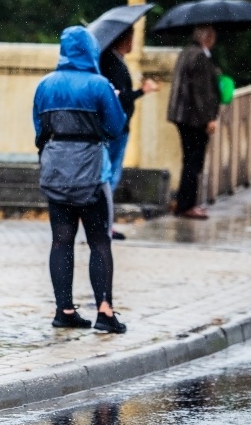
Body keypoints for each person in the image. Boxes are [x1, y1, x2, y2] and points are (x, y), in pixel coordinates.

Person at [32, 26, 127, 333]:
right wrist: (113, 101)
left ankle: (65, 310)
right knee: (99, 241)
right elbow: (115, 127)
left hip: (56, 173)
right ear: (90, 50)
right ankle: (104, 312)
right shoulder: (99, 85)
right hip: (91, 174)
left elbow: (39, 132)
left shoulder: (45, 85)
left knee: (61, 240)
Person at [99, 27, 159, 239]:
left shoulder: (112, 61)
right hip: (116, 129)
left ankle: (104, 224)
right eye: (131, 37)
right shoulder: (113, 63)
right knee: (110, 177)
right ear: (123, 39)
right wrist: (142, 91)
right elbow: (119, 99)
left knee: (107, 176)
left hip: (114, 127)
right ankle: (105, 225)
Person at [167, 25, 220, 220]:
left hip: (182, 116)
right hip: (193, 119)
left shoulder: (187, 52)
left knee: (189, 160)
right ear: (208, 37)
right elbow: (201, 92)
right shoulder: (199, 56)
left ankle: (184, 203)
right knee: (194, 162)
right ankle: (187, 205)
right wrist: (209, 118)